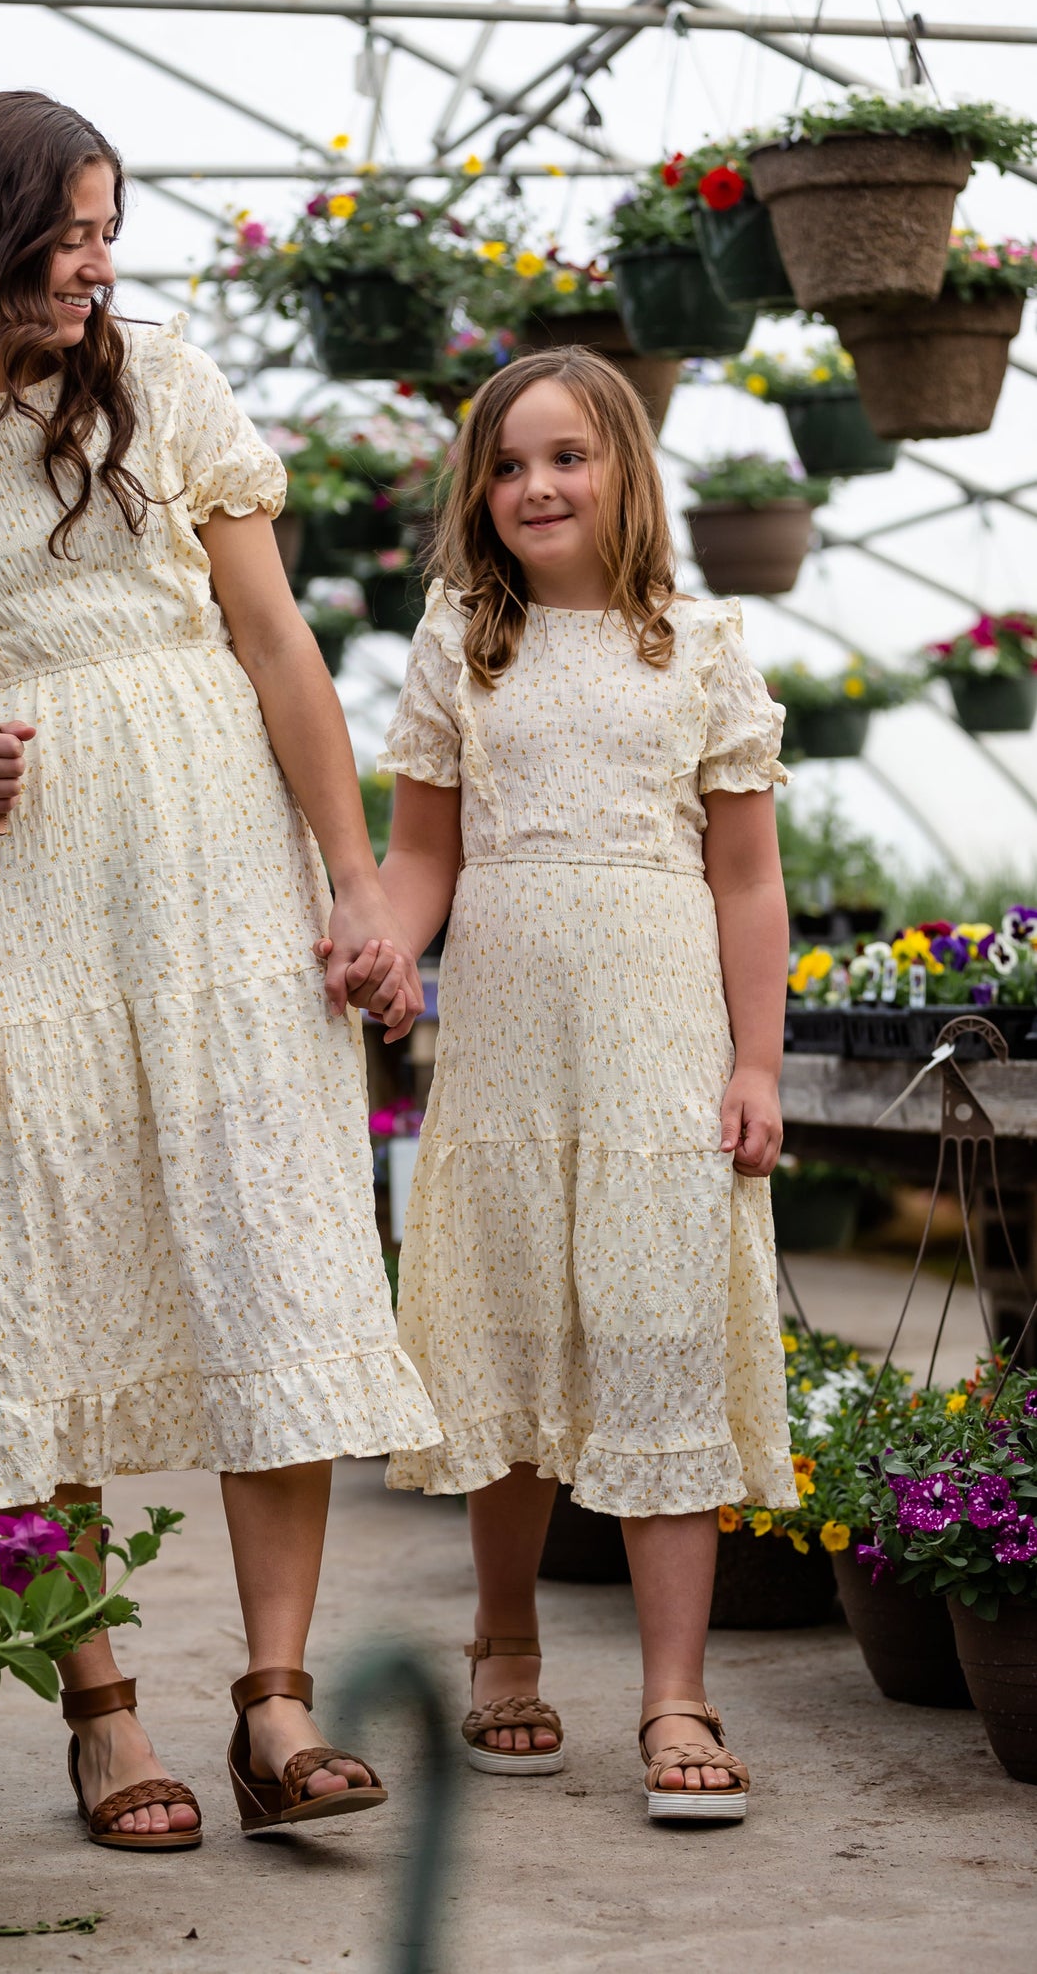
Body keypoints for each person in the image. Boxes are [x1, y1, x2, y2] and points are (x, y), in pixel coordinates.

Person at [0, 90, 441, 1852]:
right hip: (37, 878)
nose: (94, 262)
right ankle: (103, 1707)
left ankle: (275, 1702)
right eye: (66, 232)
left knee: (268, 1241)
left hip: (226, 856)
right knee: (42, 1264)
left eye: (104, 228)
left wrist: (356, 877)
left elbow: (275, 639)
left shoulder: (162, 380)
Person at [357, 347, 796, 1821]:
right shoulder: (456, 645)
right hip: (503, 1055)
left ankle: (674, 1695)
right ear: (476, 494)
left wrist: (753, 1059)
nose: (534, 485)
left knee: (663, 1334)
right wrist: (386, 952)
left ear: (625, 467)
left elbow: (746, 879)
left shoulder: (701, 642)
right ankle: (505, 1641)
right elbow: (423, 855)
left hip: (662, 1048)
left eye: (565, 456)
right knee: (513, 1348)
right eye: (505, 463)